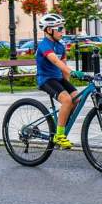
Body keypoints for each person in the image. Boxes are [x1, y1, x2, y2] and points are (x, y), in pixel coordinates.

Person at [35, 13, 86, 150]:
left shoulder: (60, 46)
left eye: (63, 28)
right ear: (49, 30)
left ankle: (61, 126)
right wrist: (73, 72)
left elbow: (63, 67)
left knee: (76, 98)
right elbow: (56, 61)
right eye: (59, 29)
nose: (62, 31)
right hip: (46, 79)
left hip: (58, 78)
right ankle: (59, 135)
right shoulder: (44, 45)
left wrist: (68, 84)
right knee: (67, 100)